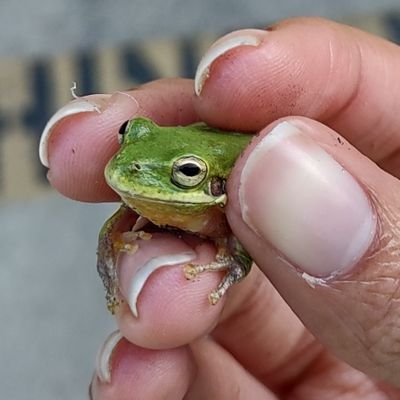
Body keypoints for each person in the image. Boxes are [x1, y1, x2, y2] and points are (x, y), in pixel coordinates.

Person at [39, 17, 400, 399]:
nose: (125, 162)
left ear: (210, 181)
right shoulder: (137, 175)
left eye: (186, 173)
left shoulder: (243, 191)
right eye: (126, 133)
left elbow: (240, 247)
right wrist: (108, 256)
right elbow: (118, 222)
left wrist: (233, 261)